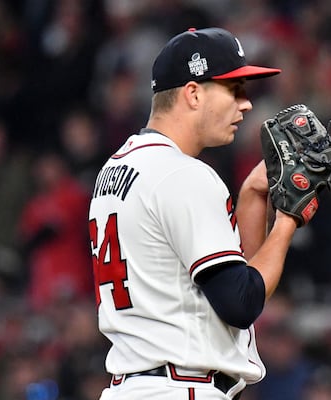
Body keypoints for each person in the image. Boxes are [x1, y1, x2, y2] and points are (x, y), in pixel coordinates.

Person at [88, 27, 301, 399]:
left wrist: (252, 197)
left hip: (136, 386)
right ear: (193, 93)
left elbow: (232, 277)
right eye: (233, 90)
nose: (246, 103)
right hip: (181, 386)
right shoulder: (182, 173)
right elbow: (241, 302)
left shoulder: (117, 167)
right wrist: (288, 221)